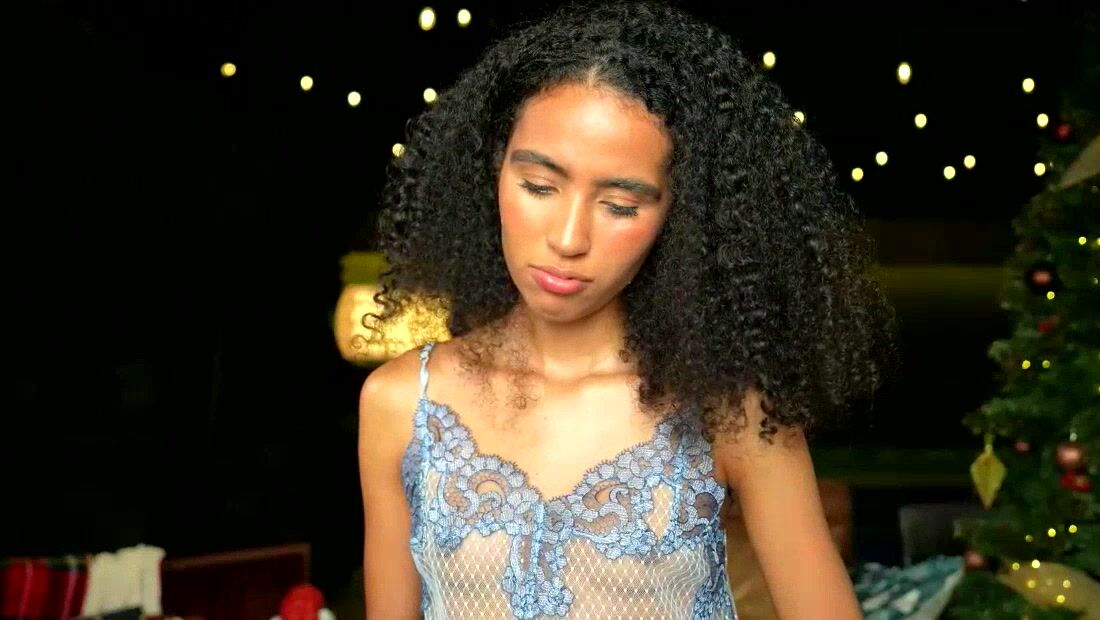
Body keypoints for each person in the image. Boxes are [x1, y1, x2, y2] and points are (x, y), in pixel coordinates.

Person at [358, 1, 897, 617]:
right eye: (538, 186)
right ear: (493, 170)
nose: (568, 238)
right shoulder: (403, 403)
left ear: (680, 216)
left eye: (619, 205)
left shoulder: (728, 412)